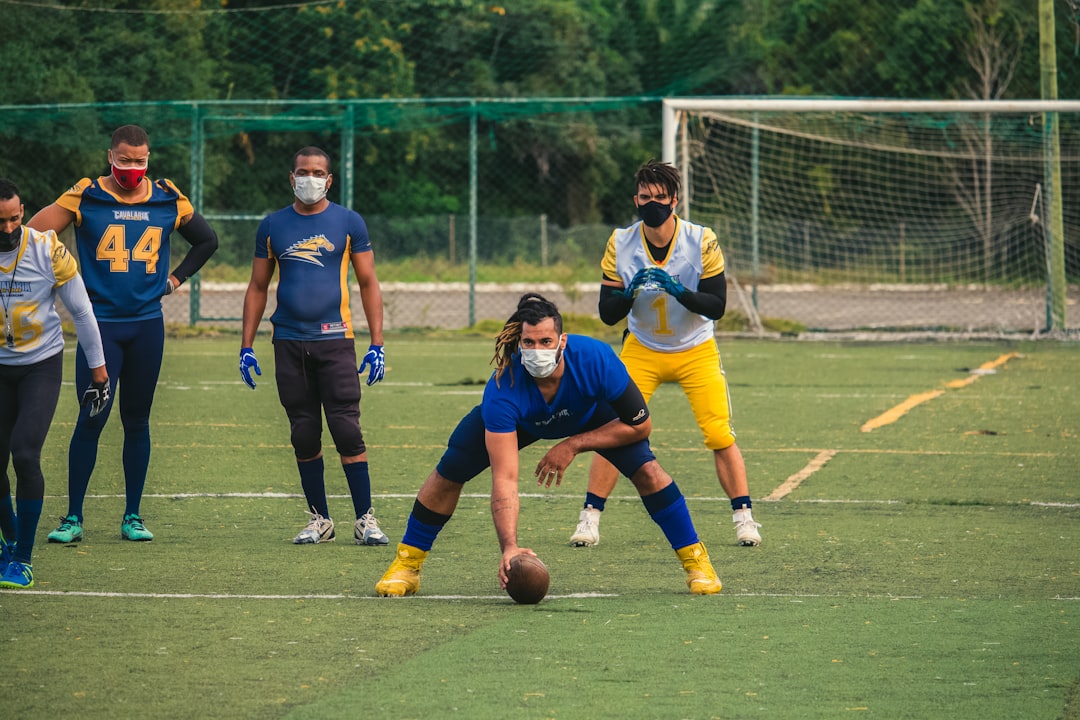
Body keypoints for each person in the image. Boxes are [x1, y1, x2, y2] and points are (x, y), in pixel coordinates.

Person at [375, 293, 722, 597]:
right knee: (450, 470)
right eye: (529, 343)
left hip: (588, 414)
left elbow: (640, 425)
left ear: (562, 341)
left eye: (545, 341)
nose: (537, 350)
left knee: (648, 469)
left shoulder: (596, 358)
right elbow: (505, 480)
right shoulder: (504, 387)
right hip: (525, 420)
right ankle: (408, 565)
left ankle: (695, 561)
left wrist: (573, 445)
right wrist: (509, 546)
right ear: (518, 343)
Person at [28, 124, 219, 544]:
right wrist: (61, 281)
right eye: (125, 159)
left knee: (136, 419)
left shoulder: (168, 196)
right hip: (100, 329)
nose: (133, 167)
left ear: (149, 159)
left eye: (140, 160)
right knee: (91, 417)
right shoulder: (86, 194)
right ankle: (73, 517)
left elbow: (207, 241)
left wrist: (174, 280)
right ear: (110, 156)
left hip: (146, 325)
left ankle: (132, 514)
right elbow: (34, 235)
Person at [568, 160, 762, 549]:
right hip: (642, 348)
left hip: (695, 348)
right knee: (611, 430)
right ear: (635, 199)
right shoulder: (621, 241)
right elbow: (607, 314)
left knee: (718, 432)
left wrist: (678, 291)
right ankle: (589, 517)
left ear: (675, 199)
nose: (652, 203)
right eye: (645, 197)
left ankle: (744, 517)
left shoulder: (700, 239)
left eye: (660, 197)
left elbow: (717, 305)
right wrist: (627, 293)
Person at [240, 146, 389, 547]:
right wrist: (246, 345)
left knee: (346, 430)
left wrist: (377, 343)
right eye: (303, 171)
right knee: (303, 434)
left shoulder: (348, 222)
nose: (310, 178)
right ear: (292, 177)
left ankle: (365, 519)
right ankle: (320, 519)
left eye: (318, 171)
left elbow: (368, 283)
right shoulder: (272, 225)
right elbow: (257, 286)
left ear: (329, 179)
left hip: (335, 340)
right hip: (288, 342)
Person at [0, 179, 110, 588]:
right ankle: (8, 541)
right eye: (0, 221)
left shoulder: (47, 248)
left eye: (15, 219)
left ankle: (23, 559)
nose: (9, 228)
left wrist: (98, 370)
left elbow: (81, 311)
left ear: (23, 212)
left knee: (24, 453)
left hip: (38, 366)